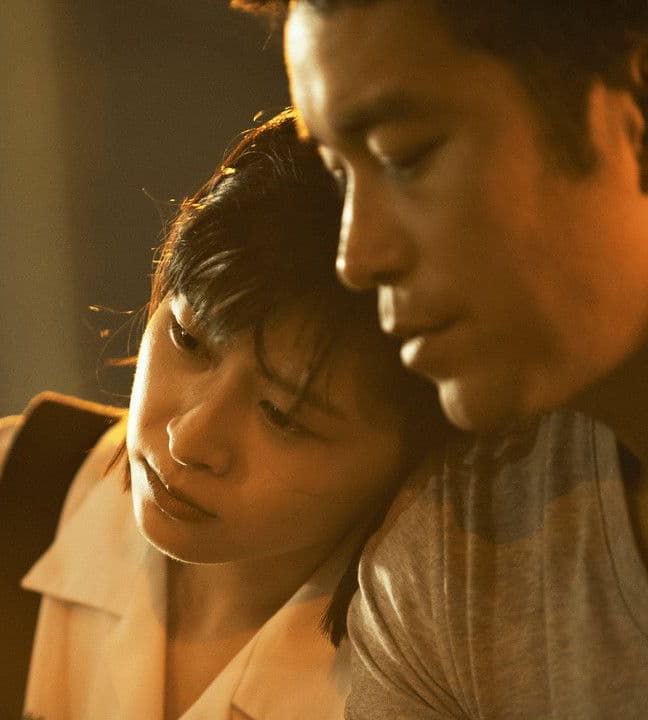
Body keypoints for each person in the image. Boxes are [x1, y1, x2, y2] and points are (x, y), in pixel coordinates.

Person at [0, 110, 447, 720]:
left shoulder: (438, 655)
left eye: (283, 416)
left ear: (411, 452)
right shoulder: (8, 502)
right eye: (188, 340)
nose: (189, 438)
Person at [231, 0, 648, 717]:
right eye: (340, 176)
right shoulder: (449, 569)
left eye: (405, 155)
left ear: (633, 112)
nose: (356, 256)